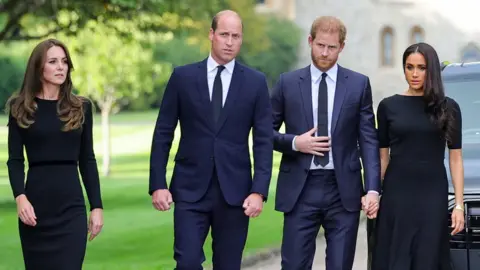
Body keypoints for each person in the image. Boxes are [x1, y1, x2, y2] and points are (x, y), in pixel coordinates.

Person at [148, 10, 273, 270]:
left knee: (228, 265)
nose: (229, 42)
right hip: (189, 189)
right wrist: (157, 183)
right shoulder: (182, 78)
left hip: (235, 193)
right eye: (224, 34)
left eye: (236, 36)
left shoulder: (255, 82)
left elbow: (263, 141)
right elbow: (163, 133)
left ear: (241, 39)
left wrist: (259, 190)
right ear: (211, 34)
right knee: (187, 262)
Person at [271, 16, 381, 269]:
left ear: (342, 47)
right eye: (320, 45)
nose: (324, 52)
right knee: (294, 265)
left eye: (332, 47)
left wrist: (373, 189)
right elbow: (265, 133)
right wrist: (296, 143)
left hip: (343, 190)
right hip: (301, 188)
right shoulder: (287, 83)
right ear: (310, 41)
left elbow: (368, 140)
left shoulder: (358, 84)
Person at [6, 38, 104, 269]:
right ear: (39, 68)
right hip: (36, 209)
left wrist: (97, 206)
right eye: (53, 61)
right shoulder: (19, 108)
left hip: (71, 208)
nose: (61, 67)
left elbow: (87, 160)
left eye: (64, 62)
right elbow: (15, 160)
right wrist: (20, 197)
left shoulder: (81, 108)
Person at [371, 42, 464, 269]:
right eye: (409, 67)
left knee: (428, 255)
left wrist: (459, 205)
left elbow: (455, 158)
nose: (414, 73)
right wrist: (374, 192)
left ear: (430, 69)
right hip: (397, 194)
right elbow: (382, 157)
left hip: (433, 194)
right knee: (397, 256)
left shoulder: (448, 107)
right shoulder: (387, 106)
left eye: (421, 67)